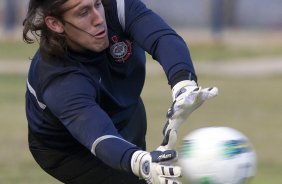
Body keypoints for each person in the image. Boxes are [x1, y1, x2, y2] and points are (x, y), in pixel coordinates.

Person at [23, 0, 218, 183]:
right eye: (83, 12)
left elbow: (161, 37)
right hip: (69, 149)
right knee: (135, 176)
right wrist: (141, 163)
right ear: (56, 24)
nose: (99, 18)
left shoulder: (116, 7)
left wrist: (184, 84)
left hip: (126, 110)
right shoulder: (57, 77)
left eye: (97, 3)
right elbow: (100, 136)